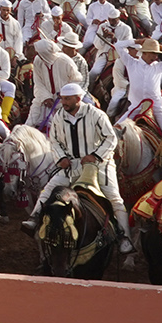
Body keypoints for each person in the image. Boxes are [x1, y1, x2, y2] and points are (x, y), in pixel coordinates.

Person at [27, 83, 132, 252]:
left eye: (67, 99)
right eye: (62, 99)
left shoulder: (96, 114)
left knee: (115, 199)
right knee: (48, 190)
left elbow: (111, 139)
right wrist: (61, 158)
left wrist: (95, 156)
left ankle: (124, 237)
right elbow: (54, 141)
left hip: (100, 165)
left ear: (78, 98)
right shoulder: (59, 116)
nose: (64, 103)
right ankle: (34, 217)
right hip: (70, 165)